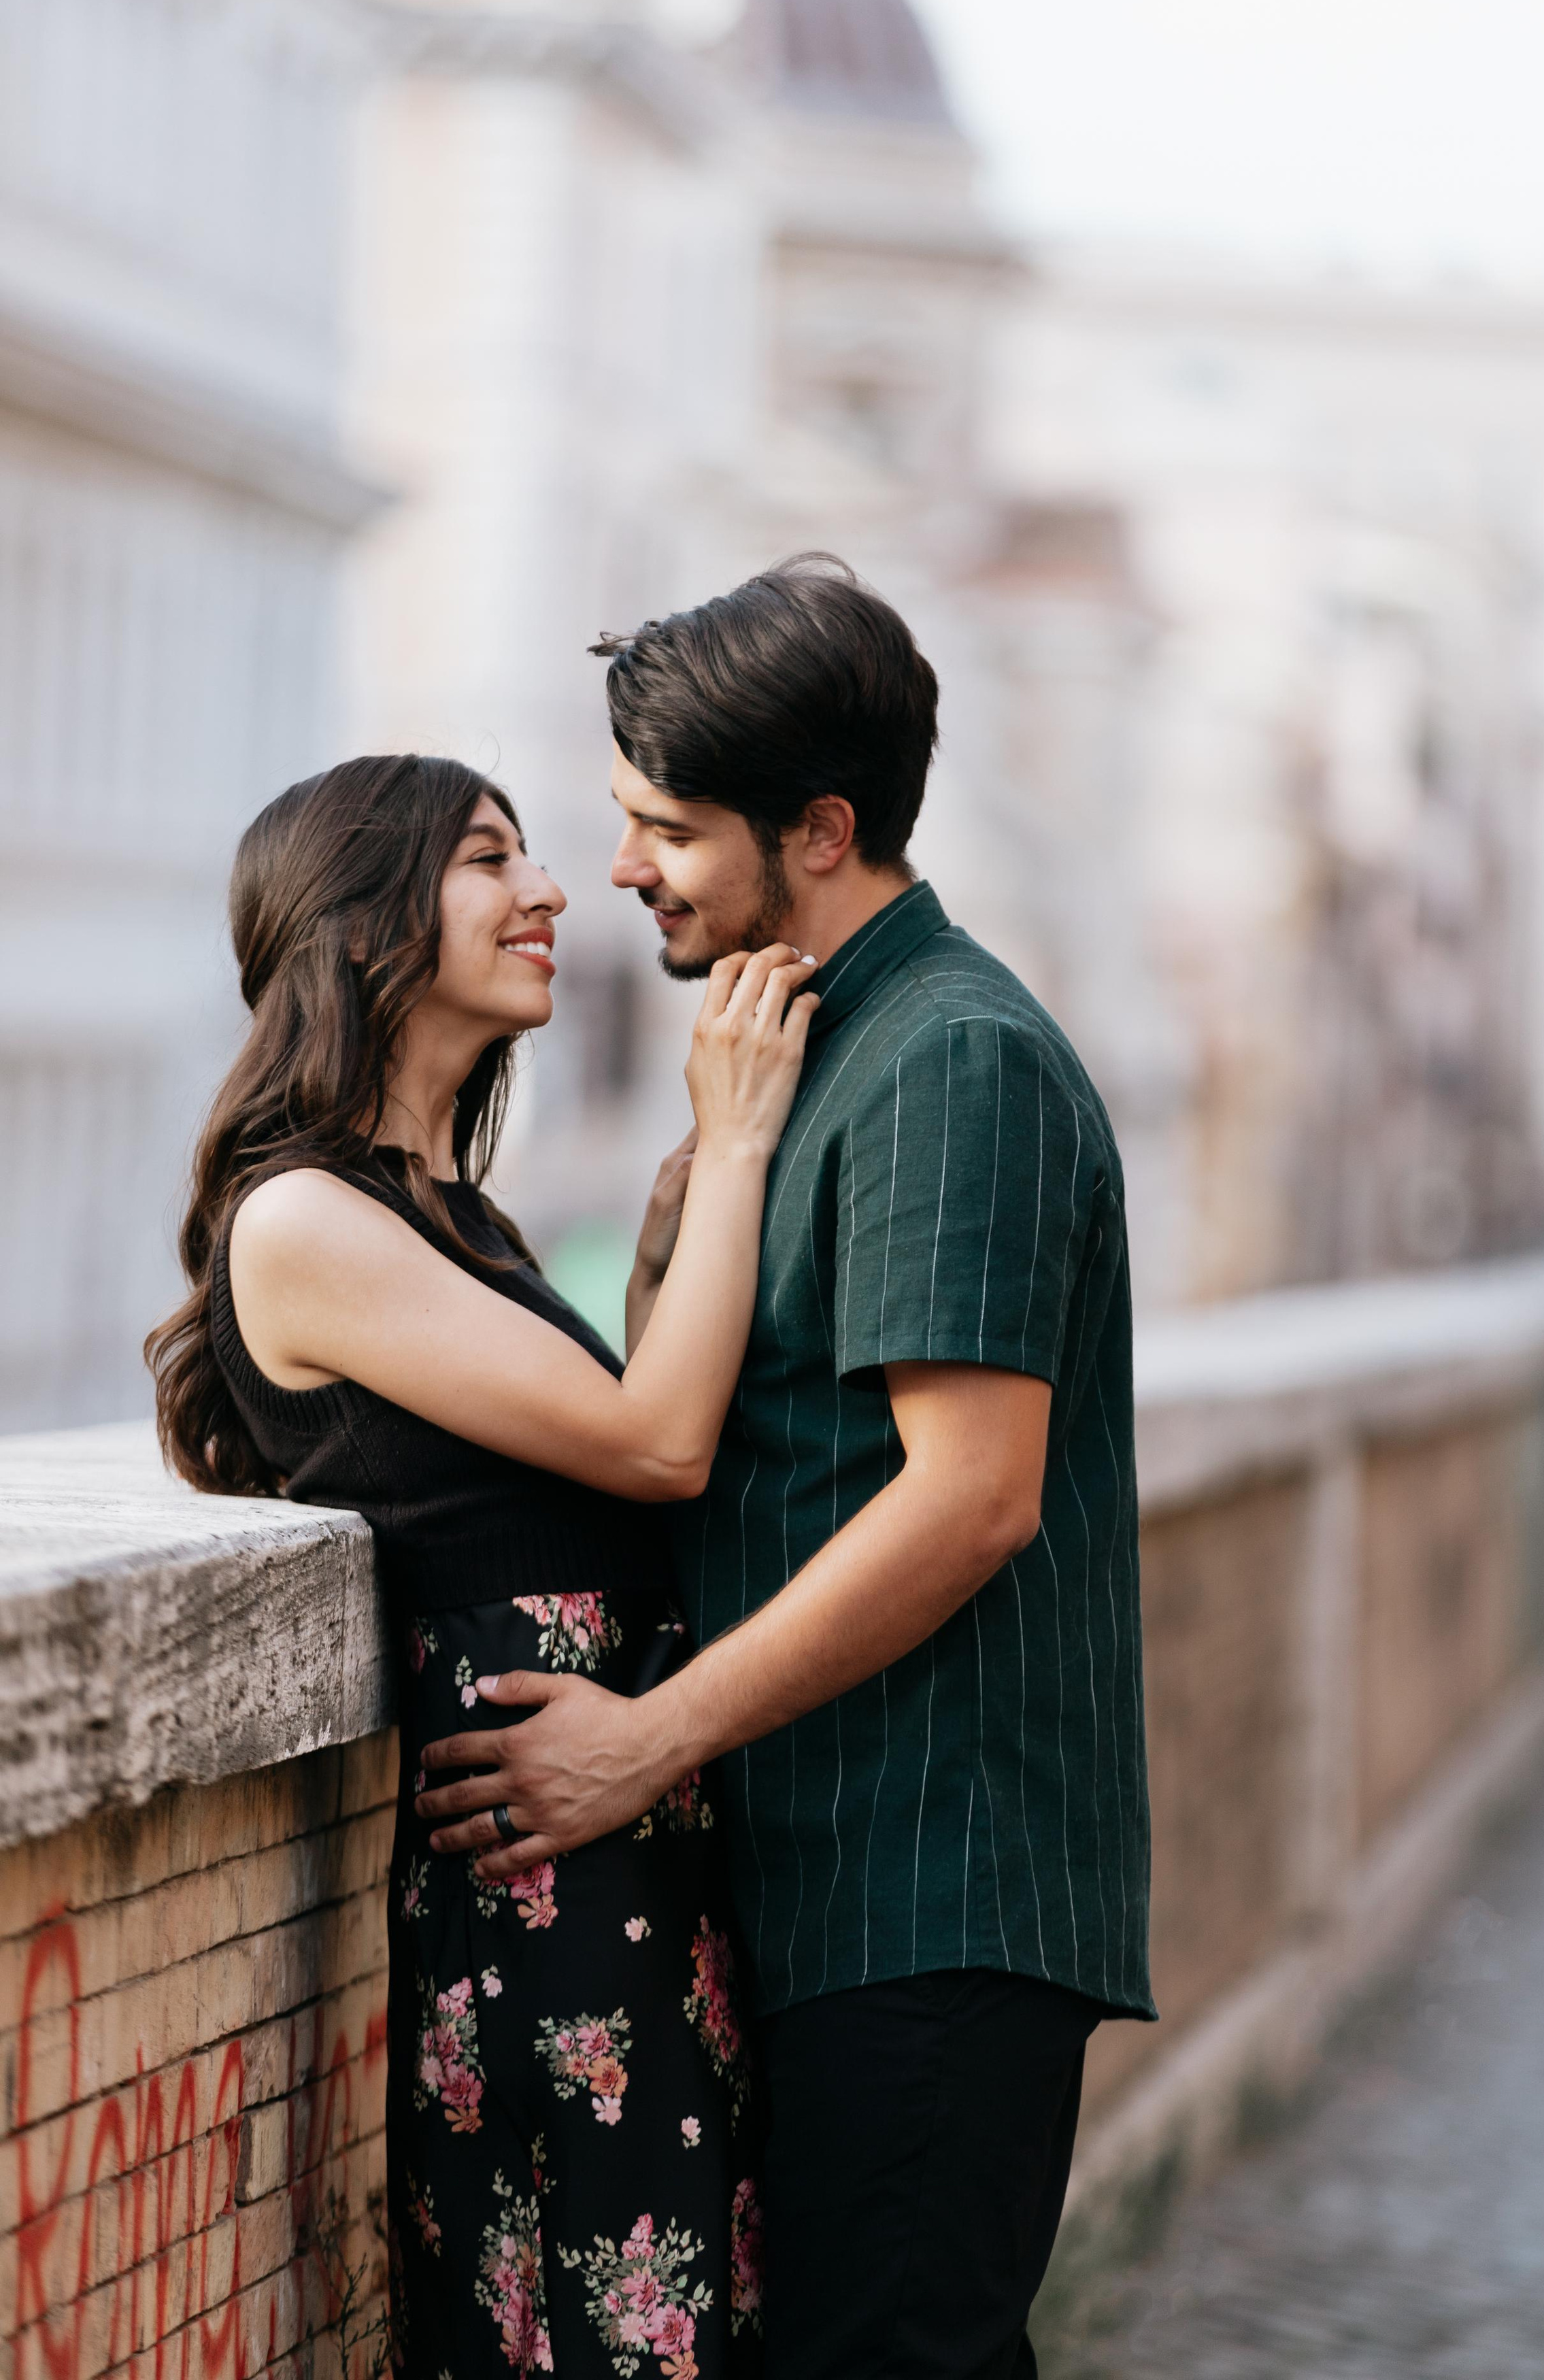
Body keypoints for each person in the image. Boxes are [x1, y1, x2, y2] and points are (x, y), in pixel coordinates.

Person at [420, 558, 1156, 2379]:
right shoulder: (820, 1051)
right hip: (850, 1892)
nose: (623, 870)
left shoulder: (950, 1061)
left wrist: (648, 1738)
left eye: (666, 826)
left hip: (935, 1897)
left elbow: (973, 1494)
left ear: (818, 830)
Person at [146, 752, 818, 2378]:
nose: (548, 894)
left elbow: (615, 1473)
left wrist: (661, 1245)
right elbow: (656, 1448)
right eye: (488, 859)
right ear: (364, 919)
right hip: (545, 1881)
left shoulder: (453, 1213)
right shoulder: (304, 1219)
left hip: (620, 1842)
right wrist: (731, 1149)